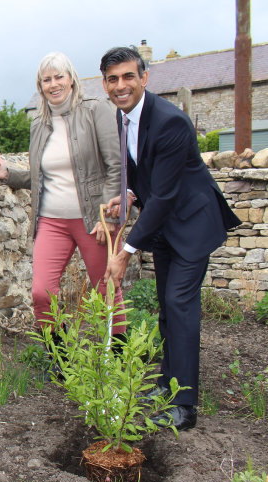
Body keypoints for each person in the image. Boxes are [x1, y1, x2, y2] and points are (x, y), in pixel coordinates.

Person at [100, 46, 241, 431]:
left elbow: (163, 195)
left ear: (144, 78)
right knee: (166, 306)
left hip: (192, 222)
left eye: (128, 76)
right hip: (164, 224)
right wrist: (129, 195)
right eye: (113, 79)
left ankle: (184, 405)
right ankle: (167, 384)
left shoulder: (170, 122)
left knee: (180, 304)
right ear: (105, 85)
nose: (121, 85)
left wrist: (126, 252)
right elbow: (141, 170)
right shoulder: (123, 115)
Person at [0, 52, 126, 358]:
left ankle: (119, 357)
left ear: (71, 79)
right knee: (41, 293)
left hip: (93, 219)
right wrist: (8, 174)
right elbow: (41, 176)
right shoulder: (39, 124)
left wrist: (109, 216)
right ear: (40, 86)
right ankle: (61, 358)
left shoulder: (96, 110)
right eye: (47, 79)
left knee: (106, 290)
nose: (54, 84)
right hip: (51, 220)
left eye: (59, 77)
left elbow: (116, 166)